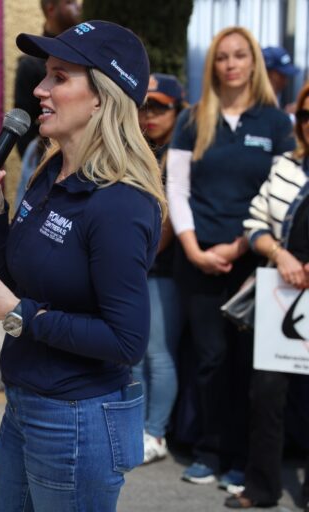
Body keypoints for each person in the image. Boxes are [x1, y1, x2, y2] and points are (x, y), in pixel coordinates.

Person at [0, 21, 164, 510]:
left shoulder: (120, 203)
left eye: (59, 76)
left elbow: (126, 341)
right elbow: (22, 280)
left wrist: (19, 316)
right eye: (45, 75)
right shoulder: (52, 169)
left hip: (78, 419)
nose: (39, 89)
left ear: (102, 98)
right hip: (26, 404)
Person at [166, 26, 295, 487]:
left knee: (247, 363)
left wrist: (239, 245)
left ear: (253, 62)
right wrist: (193, 249)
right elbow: (176, 190)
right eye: (222, 57)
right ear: (213, 65)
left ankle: (244, 459)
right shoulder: (192, 118)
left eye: (240, 55)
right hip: (197, 257)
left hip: (253, 260)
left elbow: (281, 194)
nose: (231, 64)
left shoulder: (277, 123)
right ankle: (208, 450)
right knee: (209, 358)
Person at [223, 82, 309, 511]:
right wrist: (279, 253)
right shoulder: (285, 169)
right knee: (267, 394)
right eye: (307, 116)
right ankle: (262, 487)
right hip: (283, 293)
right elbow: (255, 223)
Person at [133, 73, 187, 464]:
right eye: (144, 105)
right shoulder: (140, 150)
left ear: (178, 110)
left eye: (160, 106)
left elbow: (168, 222)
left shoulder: (178, 153)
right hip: (136, 267)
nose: (149, 114)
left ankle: (156, 432)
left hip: (161, 268)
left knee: (158, 353)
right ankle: (138, 429)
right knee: (135, 354)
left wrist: (135, 263)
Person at [13, 0, 81, 158]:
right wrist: (41, 160)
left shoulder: (85, 57)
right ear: (51, 9)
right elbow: (24, 126)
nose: (78, 6)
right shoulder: (30, 64)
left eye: (59, 77)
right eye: (70, 2)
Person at [262, 46, 301, 114]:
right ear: (268, 73)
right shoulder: (256, 100)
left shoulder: (273, 99)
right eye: (281, 75)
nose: (285, 81)